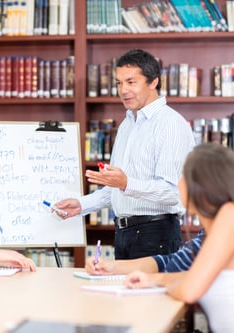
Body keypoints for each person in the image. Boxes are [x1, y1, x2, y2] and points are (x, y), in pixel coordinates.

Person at [54, 49, 195, 259]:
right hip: (123, 234)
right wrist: (82, 204)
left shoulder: (170, 124)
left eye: (131, 82)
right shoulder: (127, 125)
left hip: (155, 235)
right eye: (119, 83)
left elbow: (173, 193)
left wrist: (126, 183)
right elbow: (116, 189)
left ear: (153, 82)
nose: (123, 90)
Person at [124, 144, 234, 332]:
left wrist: (169, 284)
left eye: (183, 176)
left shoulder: (229, 216)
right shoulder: (218, 227)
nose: (178, 183)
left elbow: (189, 290)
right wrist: (152, 280)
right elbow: (196, 277)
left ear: (201, 185)